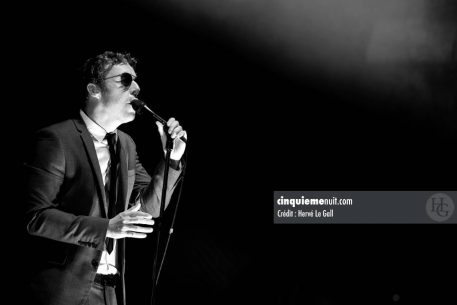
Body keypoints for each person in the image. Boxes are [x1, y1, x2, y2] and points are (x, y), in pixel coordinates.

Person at [23, 51, 187, 305]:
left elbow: (149, 208)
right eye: (124, 79)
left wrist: (172, 159)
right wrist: (107, 228)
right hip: (64, 291)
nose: (136, 87)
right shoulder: (57, 139)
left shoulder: (126, 145)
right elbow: (35, 217)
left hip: (113, 292)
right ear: (94, 89)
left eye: (135, 81)